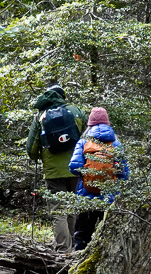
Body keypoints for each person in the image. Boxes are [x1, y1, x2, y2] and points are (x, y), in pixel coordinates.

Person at [26, 85, 86, 250]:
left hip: (53, 171)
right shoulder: (75, 111)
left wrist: (39, 156)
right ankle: (74, 247)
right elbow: (86, 137)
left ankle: (62, 250)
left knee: (58, 211)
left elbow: (31, 148)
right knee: (73, 207)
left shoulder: (41, 115)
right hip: (76, 167)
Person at [68, 107, 129, 250]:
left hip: (86, 196)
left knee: (82, 233)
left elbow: (73, 167)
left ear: (90, 125)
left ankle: (78, 260)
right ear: (108, 124)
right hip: (109, 197)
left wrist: (88, 173)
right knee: (107, 234)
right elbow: (124, 173)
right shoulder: (115, 144)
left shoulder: (83, 143)